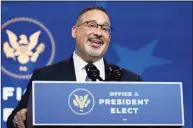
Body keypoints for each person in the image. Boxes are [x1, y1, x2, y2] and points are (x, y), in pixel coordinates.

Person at [6, 6, 142, 128]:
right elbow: (13, 120)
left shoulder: (130, 80)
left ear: (109, 38)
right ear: (75, 31)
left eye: (105, 28)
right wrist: (19, 119)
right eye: (92, 25)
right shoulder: (45, 76)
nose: (99, 33)